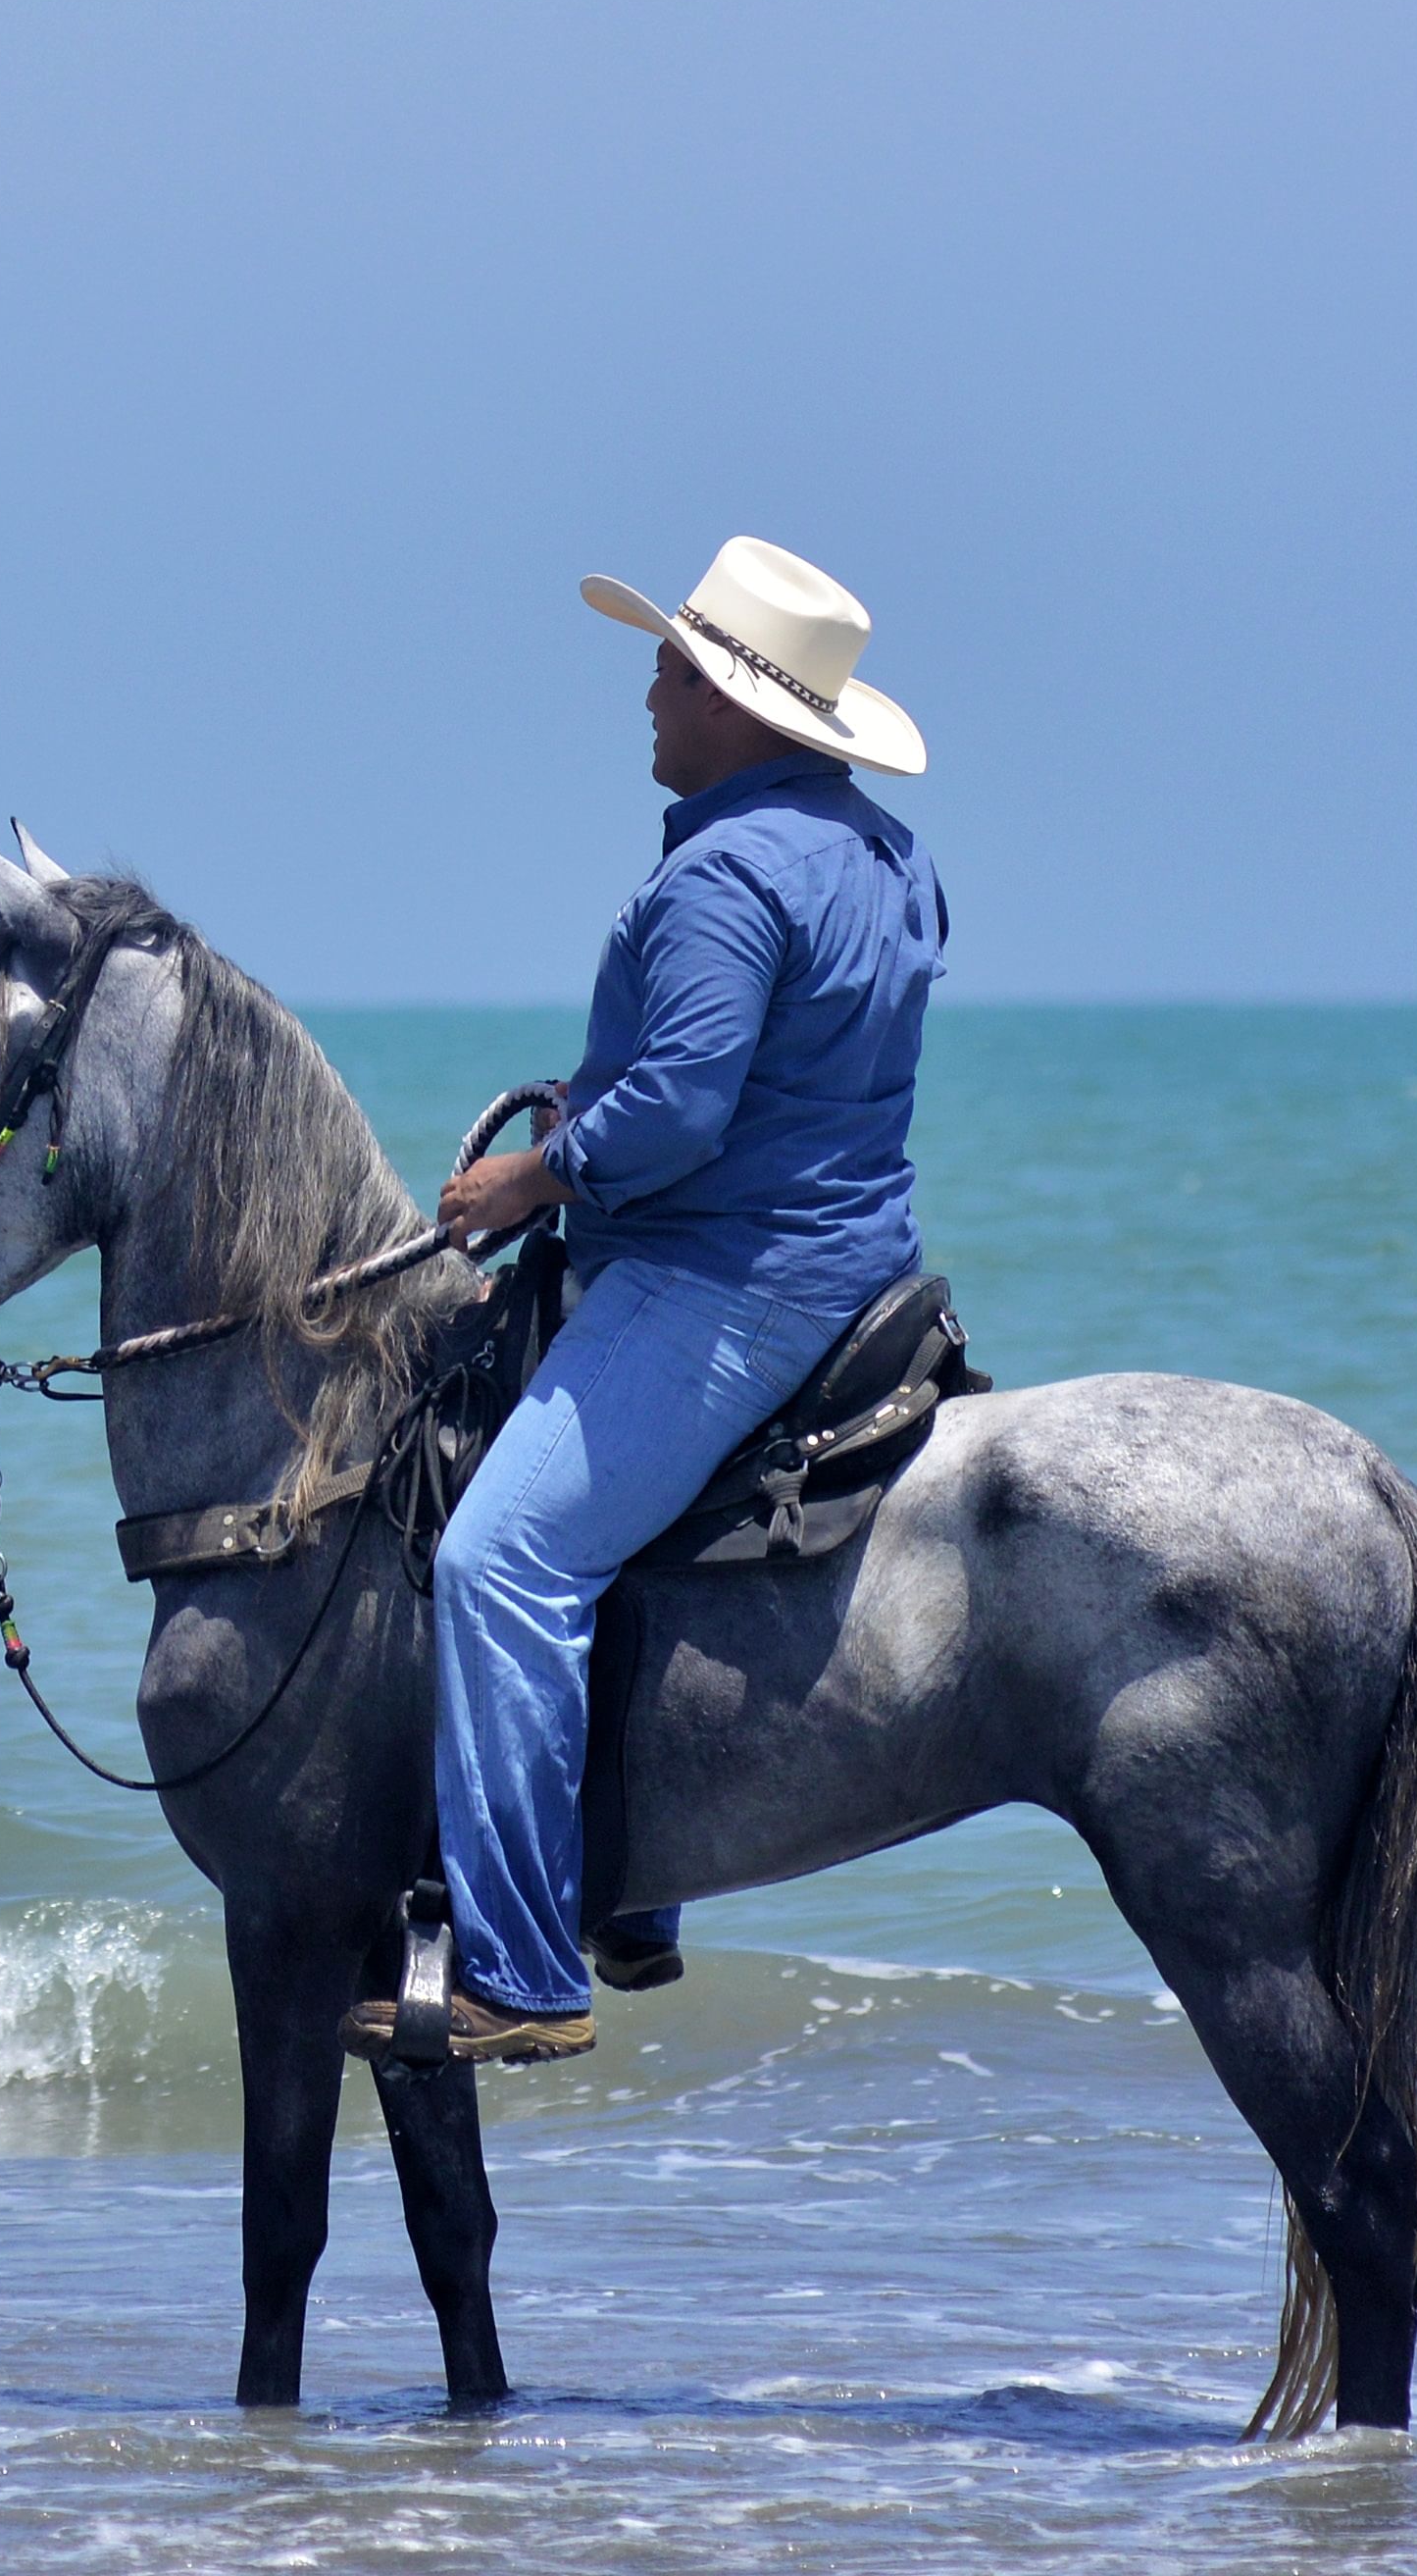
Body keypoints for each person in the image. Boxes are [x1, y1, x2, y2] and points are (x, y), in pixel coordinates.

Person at [358, 533, 947, 2064]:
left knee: (497, 1560)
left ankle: (523, 1976)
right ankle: (638, 1893)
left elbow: (683, 1113)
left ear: (745, 709)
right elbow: (792, 1077)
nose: (649, 695)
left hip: (719, 1280)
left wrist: (532, 1177)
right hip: (853, 1261)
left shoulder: (727, 875)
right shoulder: (883, 854)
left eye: (675, 671)